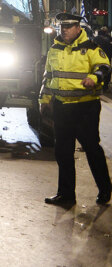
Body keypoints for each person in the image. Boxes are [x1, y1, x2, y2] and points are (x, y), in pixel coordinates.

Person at [40, 12, 112, 206]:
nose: (64, 30)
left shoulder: (91, 48)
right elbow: (48, 77)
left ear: (78, 28)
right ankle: (66, 195)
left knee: (91, 149)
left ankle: (105, 189)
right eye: (62, 27)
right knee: (63, 152)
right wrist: (44, 99)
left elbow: (105, 67)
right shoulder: (55, 49)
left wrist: (95, 78)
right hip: (61, 107)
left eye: (69, 26)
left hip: (85, 108)